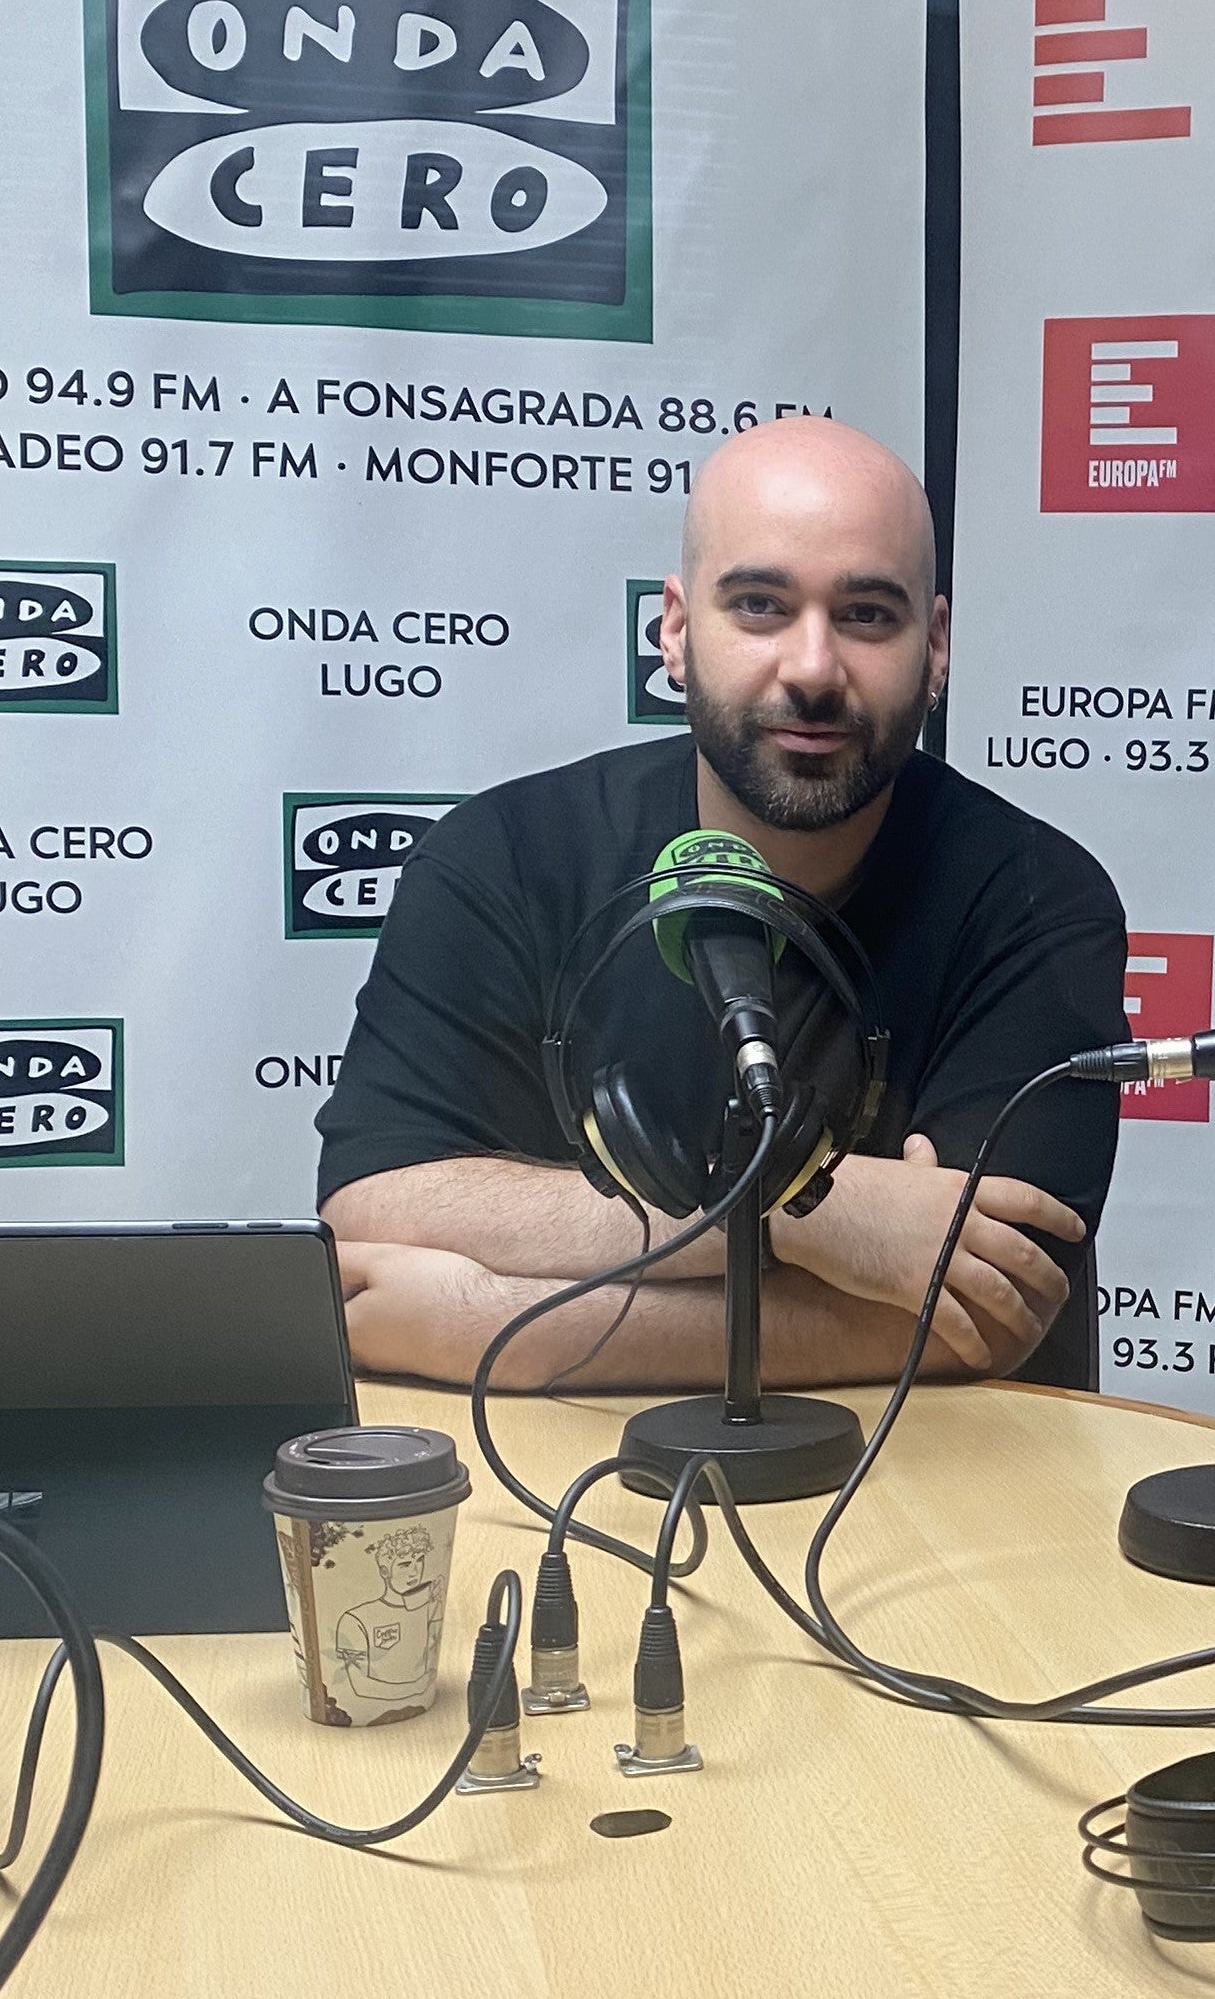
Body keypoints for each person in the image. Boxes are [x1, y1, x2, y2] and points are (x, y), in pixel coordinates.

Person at [320, 419, 1123, 1393]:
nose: (814, 667)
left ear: (937, 645)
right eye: (759, 605)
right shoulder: (503, 859)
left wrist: (504, 1329)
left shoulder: (1039, 900)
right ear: (674, 629)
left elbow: (987, 1317)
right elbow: (370, 1213)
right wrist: (823, 1217)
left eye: (868, 614)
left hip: (916, 1486)